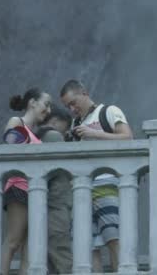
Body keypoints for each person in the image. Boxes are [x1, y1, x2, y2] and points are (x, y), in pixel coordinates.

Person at [60, 80, 133, 272]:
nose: (72, 108)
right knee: (86, 242)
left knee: (113, 236)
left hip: (106, 181)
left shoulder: (108, 111)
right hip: (82, 187)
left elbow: (128, 137)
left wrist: (94, 134)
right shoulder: (76, 124)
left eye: (73, 102)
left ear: (84, 92)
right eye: (68, 106)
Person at [1, 88, 52, 275]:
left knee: (29, 248)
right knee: (13, 241)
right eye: (46, 104)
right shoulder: (17, 122)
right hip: (19, 187)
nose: (49, 110)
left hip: (35, 191)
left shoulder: (35, 133)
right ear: (32, 102)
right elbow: (9, 148)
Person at [37, 105, 74, 274]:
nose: (66, 133)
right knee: (62, 253)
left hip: (43, 205)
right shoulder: (53, 136)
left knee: (48, 258)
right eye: (65, 126)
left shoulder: (37, 136)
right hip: (56, 204)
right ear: (55, 121)